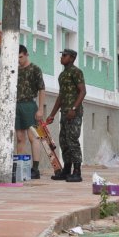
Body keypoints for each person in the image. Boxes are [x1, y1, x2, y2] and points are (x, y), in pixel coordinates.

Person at [46, 48, 86, 183]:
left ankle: (77, 171)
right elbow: (61, 96)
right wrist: (52, 114)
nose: (61, 57)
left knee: (73, 140)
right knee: (64, 141)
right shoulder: (62, 75)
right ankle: (66, 169)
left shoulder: (76, 72)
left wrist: (74, 108)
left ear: (72, 58)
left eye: (65, 55)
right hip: (64, 113)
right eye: (61, 55)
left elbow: (82, 91)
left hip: (74, 113)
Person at [16, 44, 45, 179]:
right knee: (20, 138)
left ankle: (35, 168)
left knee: (33, 136)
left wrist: (40, 109)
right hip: (16, 105)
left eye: (20, 57)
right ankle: (21, 167)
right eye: (17, 57)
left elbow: (41, 89)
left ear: (26, 54)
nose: (18, 60)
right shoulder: (14, 69)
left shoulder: (35, 69)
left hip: (29, 104)